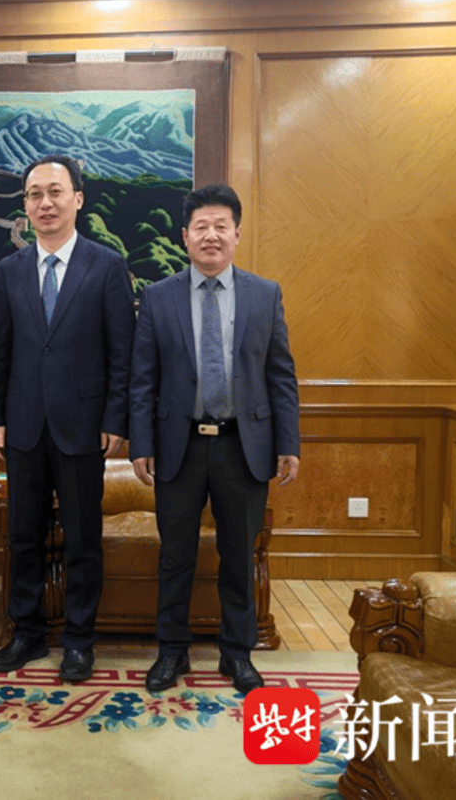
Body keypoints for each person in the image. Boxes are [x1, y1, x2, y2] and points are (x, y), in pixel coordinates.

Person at [129, 183, 300, 695]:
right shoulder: (157, 297)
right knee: (175, 555)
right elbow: (143, 379)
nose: (210, 236)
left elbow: (280, 375)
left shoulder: (263, 294)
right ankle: (171, 651)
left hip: (242, 446)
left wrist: (287, 442)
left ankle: (237, 653)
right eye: (200, 227)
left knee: (237, 555)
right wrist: (141, 444)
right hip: (178, 446)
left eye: (220, 226)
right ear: (184, 236)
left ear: (237, 234)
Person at [0, 154, 134, 683]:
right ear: (24, 206)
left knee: (81, 539)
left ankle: (78, 639)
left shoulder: (107, 264)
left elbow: (123, 351)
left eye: (54, 192)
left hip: (83, 427)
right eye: (33, 195)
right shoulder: (9, 270)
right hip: (23, 426)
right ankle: (25, 632)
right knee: (23, 536)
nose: (44, 203)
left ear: (78, 199)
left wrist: (116, 418)